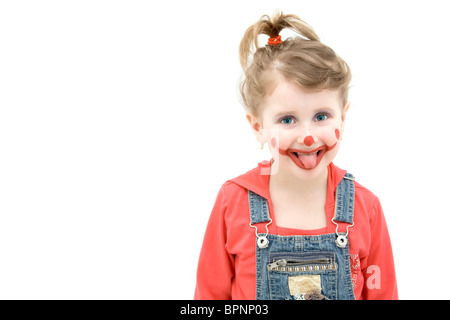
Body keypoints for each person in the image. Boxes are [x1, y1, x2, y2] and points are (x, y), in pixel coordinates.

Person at [194, 11, 398, 300]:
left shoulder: (366, 207)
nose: (308, 136)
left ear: (343, 118)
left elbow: (384, 294)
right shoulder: (233, 200)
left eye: (321, 116)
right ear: (258, 127)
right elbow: (209, 297)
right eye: (287, 119)